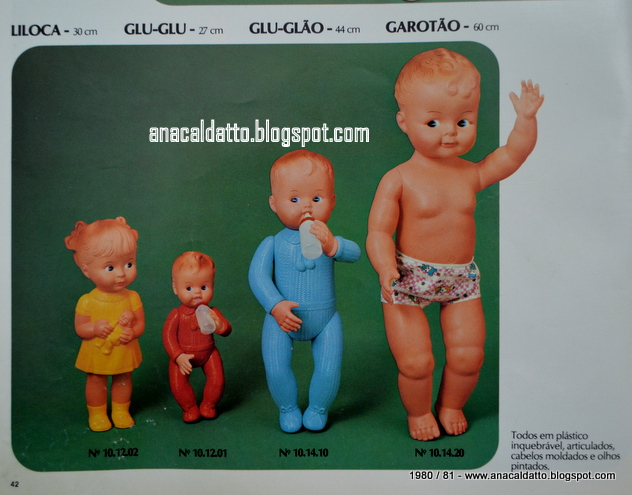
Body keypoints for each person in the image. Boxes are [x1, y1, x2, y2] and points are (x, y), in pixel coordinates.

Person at [367, 48, 543, 440]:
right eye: (433, 121)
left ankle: (451, 405)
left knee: (468, 357)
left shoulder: (470, 174)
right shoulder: (398, 178)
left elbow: (512, 155)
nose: (450, 132)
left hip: (461, 280)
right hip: (407, 278)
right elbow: (378, 232)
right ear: (404, 122)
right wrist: (385, 266)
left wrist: (526, 120)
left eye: (463, 121)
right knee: (416, 363)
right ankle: (418, 413)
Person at [249, 149, 360, 433]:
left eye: (317, 199)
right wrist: (275, 305)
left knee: (328, 368)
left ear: (333, 201)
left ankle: (318, 409)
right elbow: (257, 276)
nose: (306, 207)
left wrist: (333, 245)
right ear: (274, 204)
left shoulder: (328, 240)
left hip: (326, 319)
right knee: (276, 367)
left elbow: (355, 253)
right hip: (281, 320)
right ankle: (287, 408)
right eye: (294, 199)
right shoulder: (273, 242)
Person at [65, 217, 144, 432]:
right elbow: (80, 329)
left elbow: (140, 325)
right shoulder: (87, 301)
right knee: (96, 380)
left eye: (129, 264)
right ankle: (97, 414)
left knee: (123, 378)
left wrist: (132, 333)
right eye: (110, 267)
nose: (121, 273)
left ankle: (120, 411)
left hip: (123, 349)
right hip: (97, 351)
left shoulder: (132, 297)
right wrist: (94, 328)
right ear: (86, 270)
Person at [162, 251, 232, 422]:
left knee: (217, 379)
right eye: (189, 288)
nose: (197, 294)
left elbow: (226, 330)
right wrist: (178, 356)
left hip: (208, 353)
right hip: (183, 355)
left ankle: (209, 405)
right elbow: (168, 336)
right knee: (178, 383)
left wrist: (220, 325)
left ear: (212, 285)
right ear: (175, 288)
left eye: (204, 287)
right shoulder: (177, 314)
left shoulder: (212, 312)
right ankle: (190, 407)